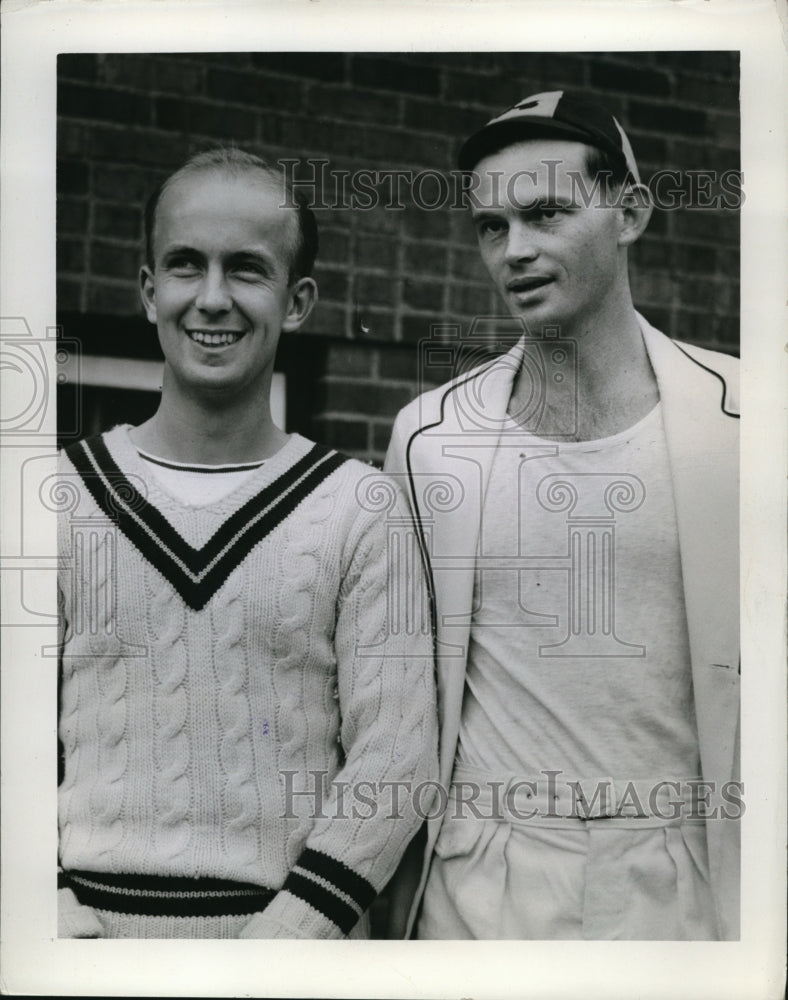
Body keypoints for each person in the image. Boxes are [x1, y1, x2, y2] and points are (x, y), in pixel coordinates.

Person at [384, 92, 740, 941]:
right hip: (480, 887)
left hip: (682, 881)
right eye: (492, 227)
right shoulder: (432, 437)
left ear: (630, 214)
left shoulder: (749, 419)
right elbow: (393, 688)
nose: (516, 251)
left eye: (547, 213)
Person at [57, 147, 437, 939]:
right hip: (80, 947)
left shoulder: (360, 507)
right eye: (186, 265)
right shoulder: (52, 497)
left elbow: (397, 761)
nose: (213, 298)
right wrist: (48, 911)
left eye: (248, 270)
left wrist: (286, 942)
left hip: (289, 952)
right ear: (147, 288)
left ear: (297, 301)